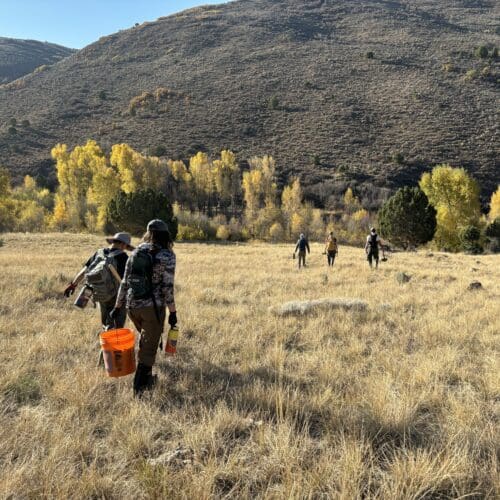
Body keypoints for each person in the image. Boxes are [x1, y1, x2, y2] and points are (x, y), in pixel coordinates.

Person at [111, 219, 177, 396]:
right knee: (149, 348)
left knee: (146, 339)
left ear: (148, 233)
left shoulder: (136, 251)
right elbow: (167, 287)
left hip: (132, 306)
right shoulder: (167, 255)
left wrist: (118, 306)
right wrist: (173, 312)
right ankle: (139, 390)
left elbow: (125, 281)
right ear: (165, 234)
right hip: (152, 308)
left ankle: (148, 379)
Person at [63, 232, 134, 330]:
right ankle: (113, 342)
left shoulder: (99, 253)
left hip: (100, 293)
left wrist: (73, 285)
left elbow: (85, 271)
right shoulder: (123, 257)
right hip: (116, 297)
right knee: (117, 326)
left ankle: (107, 340)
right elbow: (127, 280)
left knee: (106, 323)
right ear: (123, 244)